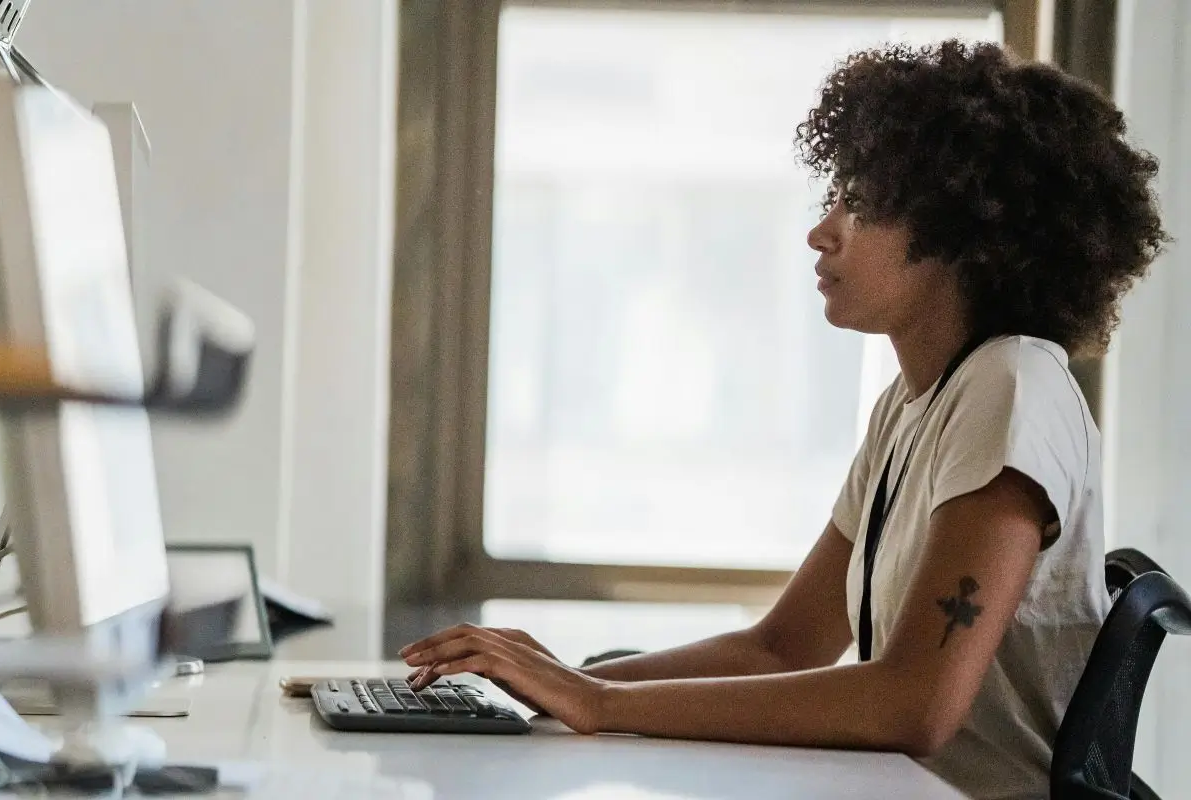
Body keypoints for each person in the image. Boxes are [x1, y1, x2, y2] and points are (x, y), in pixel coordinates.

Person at [398, 39, 1168, 800]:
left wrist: (598, 705)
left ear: (961, 230)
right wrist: (563, 684)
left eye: (860, 204)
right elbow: (780, 647)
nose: (822, 230)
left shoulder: (1013, 385)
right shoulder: (911, 404)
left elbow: (914, 705)